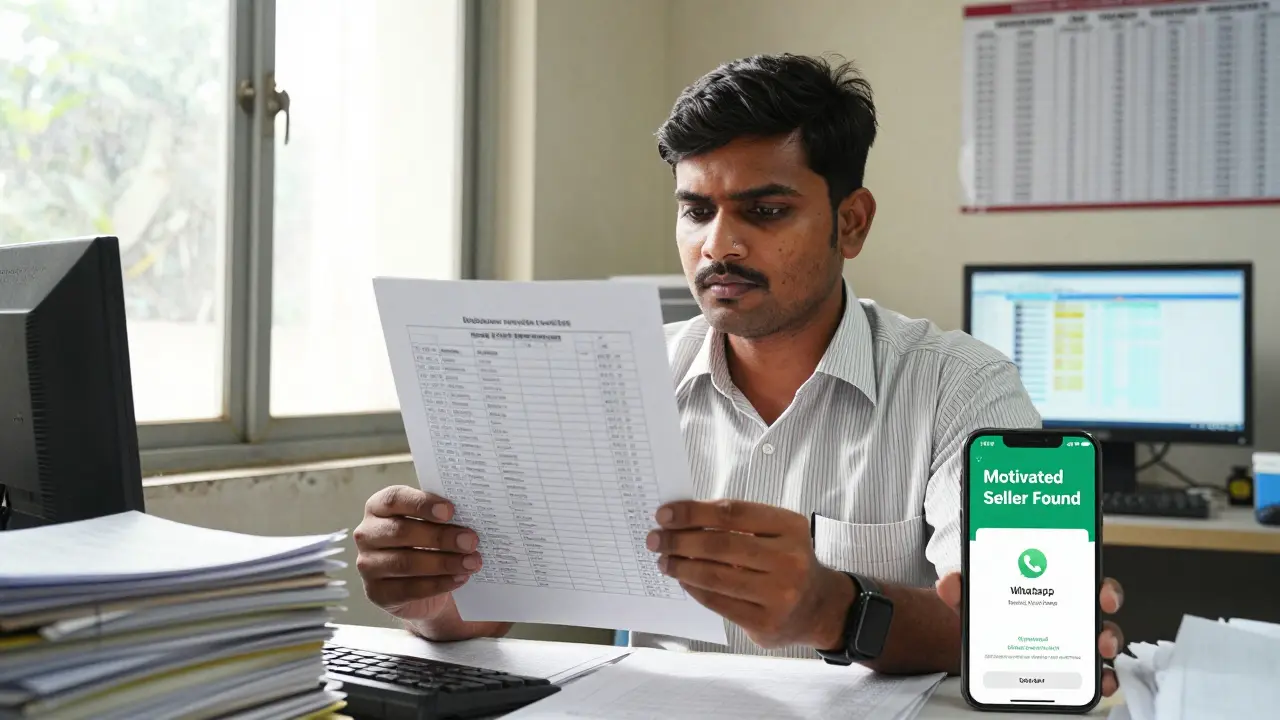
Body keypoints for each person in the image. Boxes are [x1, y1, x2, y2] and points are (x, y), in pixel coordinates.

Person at [353, 53, 1126, 693]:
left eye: (765, 211)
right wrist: (428, 595)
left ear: (850, 222)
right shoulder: (617, 378)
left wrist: (836, 609)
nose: (719, 246)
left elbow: (1026, 630)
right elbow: (479, 613)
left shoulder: (965, 386)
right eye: (696, 211)